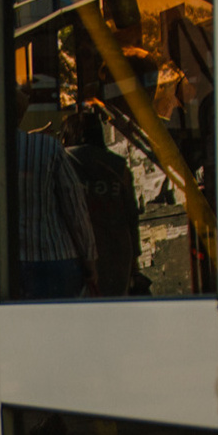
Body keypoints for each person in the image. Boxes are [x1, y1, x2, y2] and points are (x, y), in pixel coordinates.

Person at [13, 83, 98, 299]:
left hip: (8, 265)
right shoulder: (48, 148)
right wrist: (89, 261)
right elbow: (75, 210)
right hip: (58, 262)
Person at [63, 110, 140, 297]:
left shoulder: (62, 161)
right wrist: (135, 260)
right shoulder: (119, 167)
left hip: (76, 254)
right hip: (116, 252)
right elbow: (131, 215)